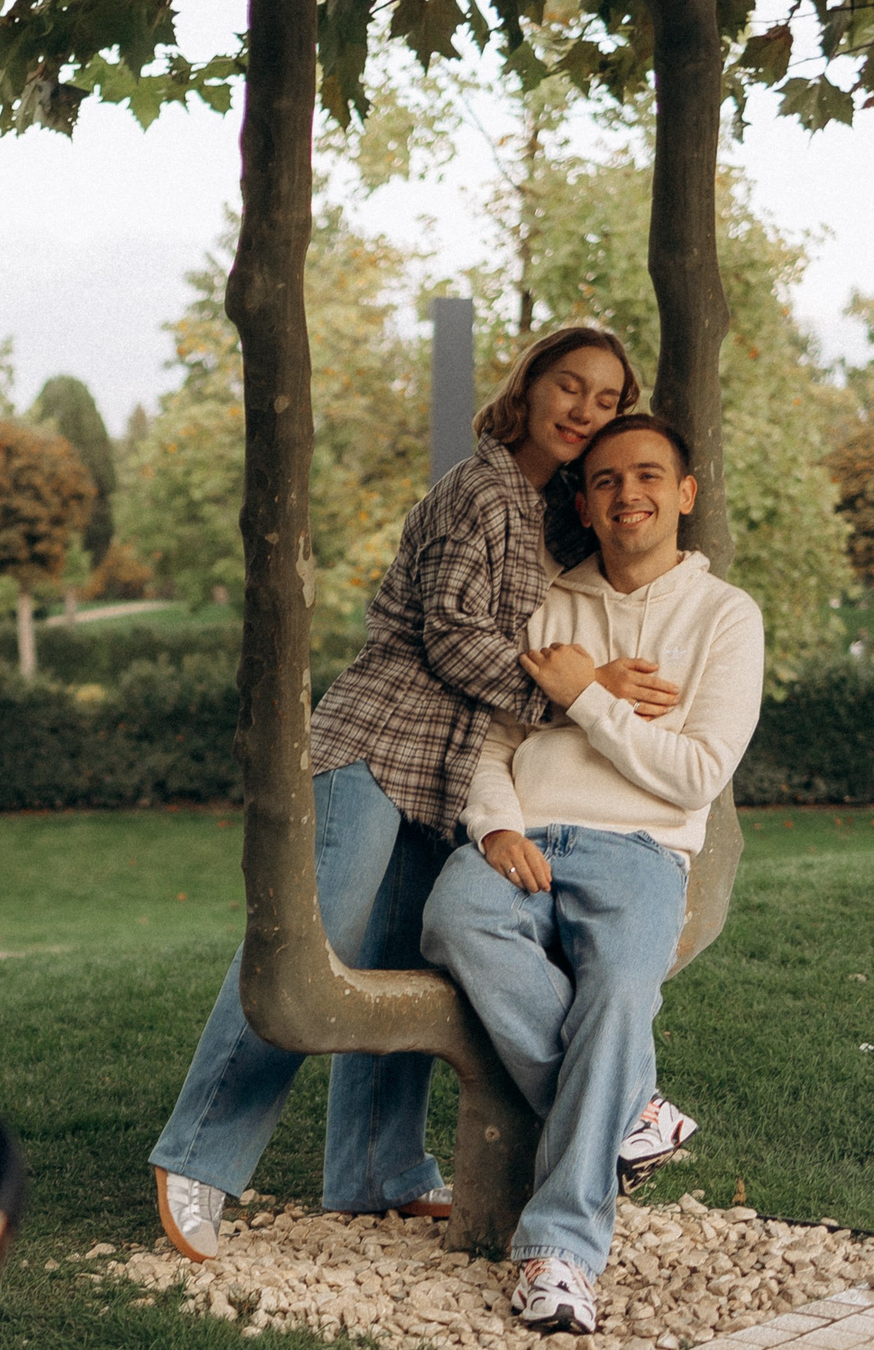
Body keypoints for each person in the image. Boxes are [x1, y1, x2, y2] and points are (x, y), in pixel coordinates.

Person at [149, 325, 698, 1262]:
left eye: (607, 401)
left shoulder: (549, 511)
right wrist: (582, 689)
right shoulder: (478, 490)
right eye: (570, 387)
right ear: (526, 388)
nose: (585, 411)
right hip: (375, 746)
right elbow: (449, 635)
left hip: (447, 775)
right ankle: (195, 1158)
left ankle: (377, 1172)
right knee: (301, 950)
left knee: (402, 966)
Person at [417, 414, 764, 1334]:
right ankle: (626, 1112)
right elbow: (492, 741)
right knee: (452, 915)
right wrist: (493, 826)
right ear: (584, 498)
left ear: (685, 493)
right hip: (526, 836)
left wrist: (584, 696)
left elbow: (696, 772)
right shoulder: (549, 605)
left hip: (640, 850)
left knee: (616, 994)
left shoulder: (726, 616)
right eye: (605, 480)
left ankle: (557, 1254)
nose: (627, 494)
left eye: (648, 475)